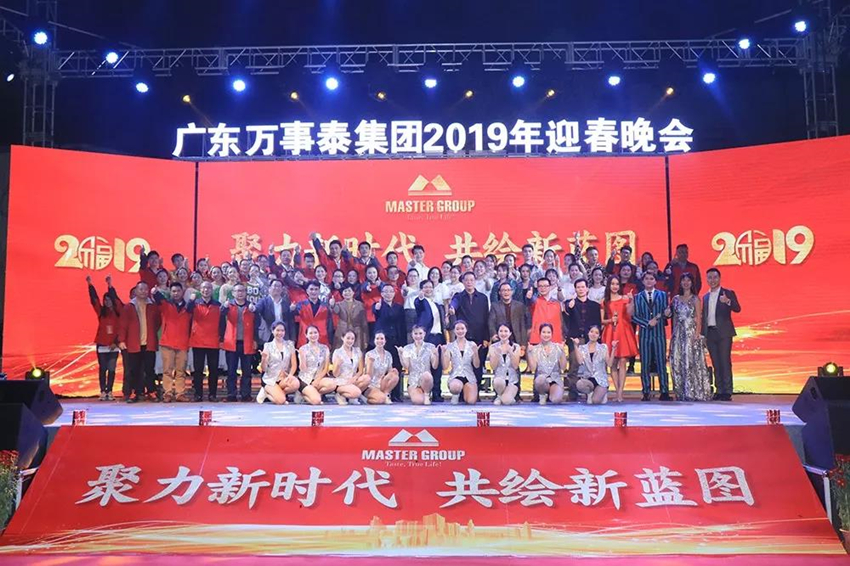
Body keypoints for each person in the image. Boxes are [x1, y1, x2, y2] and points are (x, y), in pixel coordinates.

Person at [670, 273, 713, 401]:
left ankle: (693, 391)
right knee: (677, 361)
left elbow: (699, 318)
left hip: (691, 333)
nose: (686, 283)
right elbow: (674, 318)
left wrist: (697, 334)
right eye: (683, 280)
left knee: (690, 361)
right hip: (678, 334)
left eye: (688, 280)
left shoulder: (695, 299)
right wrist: (673, 334)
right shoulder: (675, 299)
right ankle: (681, 391)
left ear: (692, 283)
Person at [702, 268, 741, 401]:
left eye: (715, 277)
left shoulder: (727, 293)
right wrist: (703, 335)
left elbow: (737, 308)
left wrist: (728, 301)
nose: (712, 280)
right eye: (710, 278)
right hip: (710, 333)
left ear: (719, 278)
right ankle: (719, 390)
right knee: (716, 363)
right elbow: (704, 317)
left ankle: (727, 390)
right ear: (707, 280)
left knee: (725, 361)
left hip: (724, 333)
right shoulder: (705, 297)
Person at [118, 281, 161, 402]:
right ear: (136, 291)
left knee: (150, 370)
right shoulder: (129, 307)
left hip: (149, 343)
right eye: (141, 289)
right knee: (134, 370)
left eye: (145, 289)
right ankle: (134, 393)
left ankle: (151, 392)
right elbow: (122, 325)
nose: (143, 292)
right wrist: (121, 340)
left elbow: (157, 322)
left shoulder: (153, 306)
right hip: (133, 344)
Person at [632, 272, 671, 401]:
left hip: (659, 334)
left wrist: (667, 314)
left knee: (661, 362)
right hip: (644, 335)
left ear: (655, 281)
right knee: (645, 363)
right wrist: (647, 323)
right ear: (643, 281)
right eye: (646, 279)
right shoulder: (637, 297)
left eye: (651, 279)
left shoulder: (663, 295)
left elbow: (666, 313)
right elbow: (634, 317)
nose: (649, 281)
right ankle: (646, 391)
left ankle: (664, 391)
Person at [449, 272, 490, 387]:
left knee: (478, 366)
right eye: (466, 280)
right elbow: (454, 304)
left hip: (479, 336)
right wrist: (452, 308)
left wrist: (486, 337)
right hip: (463, 338)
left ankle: (476, 391)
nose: (469, 282)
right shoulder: (458, 296)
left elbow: (486, 317)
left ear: (475, 281)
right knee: (463, 365)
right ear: (463, 282)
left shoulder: (483, 298)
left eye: (471, 280)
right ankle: (462, 392)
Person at [219, 284, 258, 402]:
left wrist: (255, 339)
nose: (240, 293)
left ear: (246, 293)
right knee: (231, 371)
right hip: (232, 342)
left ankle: (246, 394)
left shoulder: (251, 306)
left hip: (247, 342)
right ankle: (231, 394)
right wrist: (225, 306)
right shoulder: (228, 305)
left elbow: (257, 324)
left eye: (242, 291)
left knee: (247, 371)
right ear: (233, 293)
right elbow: (221, 314)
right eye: (237, 291)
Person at [601, 276, 637, 403]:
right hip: (611, 331)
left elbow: (630, 314)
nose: (615, 286)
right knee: (613, 362)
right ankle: (617, 391)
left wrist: (632, 301)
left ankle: (621, 392)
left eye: (617, 284)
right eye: (612, 284)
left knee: (622, 361)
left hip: (624, 331)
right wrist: (611, 320)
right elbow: (602, 320)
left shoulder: (625, 299)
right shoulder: (604, 301)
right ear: (609, 285)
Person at [155, 281, 192, 402]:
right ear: (170, 292)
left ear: (183, 292)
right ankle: (168, 393)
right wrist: (155, 292)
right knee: (167, 370)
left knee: (181, 371)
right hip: (167, 342)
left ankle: (180, 393)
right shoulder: (166, 305)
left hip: (183, 343)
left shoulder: (189, 307)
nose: (176, 293)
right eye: (173, 291)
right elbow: (157, 298)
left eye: (178, 291)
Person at [87, 275, 122, 401]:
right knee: (103, 368)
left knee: (111, 369)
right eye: (105, 300)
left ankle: (110, 391)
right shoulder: (101, 312)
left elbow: (121, 329)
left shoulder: (119, 313)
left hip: (114, 345)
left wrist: (110, 286)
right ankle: (102, 391)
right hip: (102, 344)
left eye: (109, 300)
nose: (107, 302)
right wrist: (90, 285)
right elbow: (94, 300)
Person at [187, 281, 221, 402]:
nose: (206, 290)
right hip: (198, 341)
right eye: (203, 288)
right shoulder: (194, 303)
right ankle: (198, 394)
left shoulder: (218, 305)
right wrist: (191, 300)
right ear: (200, 290)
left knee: (213, 370)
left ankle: (212, 394)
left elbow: (222, 323)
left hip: (213, 341)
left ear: (212, 290)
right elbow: (187, 311)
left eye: (208, 288)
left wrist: (221, 338)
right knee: (198, 370)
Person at [373, 283, 406, 402]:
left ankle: (396, 394)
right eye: (385, 291)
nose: (388, 294)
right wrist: (376, 308)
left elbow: (402, 325)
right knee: (383, 367)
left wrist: (403, 343)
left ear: (394, 293)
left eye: (391, 291)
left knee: (397, 367)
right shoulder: (378, 306)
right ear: (381, 294)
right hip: (383, 342)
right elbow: (375, 312)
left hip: (396, 340)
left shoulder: (399, 307)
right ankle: (382, 392)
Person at [414, 280, 446, 402]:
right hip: (428, 337)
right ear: (421, 289)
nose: (428, 289)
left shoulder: (437, 304)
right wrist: (421, 298)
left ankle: (437, 393)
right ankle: (424, 392)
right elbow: (418, 304)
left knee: (437, 367)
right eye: (425, 287)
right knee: (426, 366)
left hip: (438, 337)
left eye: (430, 287)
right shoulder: (422, 302)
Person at [256, 321, 298, 405]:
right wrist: (263, 359)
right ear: (272, 331)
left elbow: (294, 364)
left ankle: (276, 393)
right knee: (281, 401)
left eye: (282, 330)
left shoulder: (290, 344)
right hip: (270, 378)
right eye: (277, 330)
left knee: (296, 383)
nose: (280, 333)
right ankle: (267, 393)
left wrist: (290, 375)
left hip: (283, 377)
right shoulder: (268, 346)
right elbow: (264, 368)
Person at [574, 326, 615, 405]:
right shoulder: (582, 348)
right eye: (591, 332)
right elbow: (580, 361)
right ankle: (590, 393)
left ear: (599, 336)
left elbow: (609, 364)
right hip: (588, 379)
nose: (593, 334)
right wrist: (575, 346)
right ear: (588, 333)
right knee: (580, 384)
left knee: (595, 401)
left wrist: (613, 349)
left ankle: (602, 394)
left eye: (596, 333)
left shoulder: (603, 347)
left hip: (601, 380)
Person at [399, 325, 439, 405]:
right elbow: (407, 366)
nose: (418, 336)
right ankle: (419, 394)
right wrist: (401, 355)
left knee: (426, 375)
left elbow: (434, 366)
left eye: (420, 333)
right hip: (413, 381)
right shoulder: (407, 348)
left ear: (424, 334)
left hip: (426, 380)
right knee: (418, 401)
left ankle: (427, 394)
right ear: (412, 334)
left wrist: (436, 355)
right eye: (416, 334)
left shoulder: (430, 347)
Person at [528, 323, 567, 405]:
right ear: (540, 334)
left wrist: (562, 352)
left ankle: (551, 394)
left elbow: (563, 367)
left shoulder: (558, 347)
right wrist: (529, 353)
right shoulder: (535, 349)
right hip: (542, 379)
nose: (546, 335)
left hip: (555, 379)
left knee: (556, 400)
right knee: (540, 379)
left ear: (552, 334)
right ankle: (542, 395)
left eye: (548, 332)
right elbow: (533, 368)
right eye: (544, 332)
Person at [443, 320, 480, 404]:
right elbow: (445, 366)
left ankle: (465, 393)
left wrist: (475, 353)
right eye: (457, 329)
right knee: (455, 387)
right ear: (454, 331)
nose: (460, 331)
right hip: (456, 376)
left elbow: (476, 365)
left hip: (469, 376)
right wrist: (444, 353)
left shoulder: (472, 344)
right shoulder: (450, 346)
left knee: (471, 401)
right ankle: (455, 395)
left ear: (466, 330)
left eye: (462, 329)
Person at [330, 330, 368, 405]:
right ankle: (340, 394)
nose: (350, 341)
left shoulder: (357, 351)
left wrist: (355, 378)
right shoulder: (337, 352)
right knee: (356, 392)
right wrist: (338, 365)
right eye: (348, 338)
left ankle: (352, 397)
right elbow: (335, 374)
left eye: (352, 339)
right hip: (341, 381)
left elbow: (360, 371)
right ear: (342, 338)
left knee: (367, 378)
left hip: (353, 380)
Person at [292, 280, 334, 347]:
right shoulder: (300, 305)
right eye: (311, 289)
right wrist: (292, 310)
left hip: (322, 338)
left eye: (316, 289)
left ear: (319, 291)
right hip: (305, 338)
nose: (314, 292)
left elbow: (330, 325)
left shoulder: (325, 306)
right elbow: (293, 318)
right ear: (307, 291)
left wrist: (331, 341)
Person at [489, 282, 529, 350]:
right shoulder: (495, 306)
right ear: (499, 292)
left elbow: (522, 325)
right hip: (501, 338)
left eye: (508, 290)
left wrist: (523, 343)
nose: (506, 292)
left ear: (512, 292)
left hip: (516, 338)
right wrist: (493, 334)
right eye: (503, 290)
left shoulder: (519, 306)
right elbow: (491, 322)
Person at [488, 324, 521, 405]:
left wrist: (511, 353)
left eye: (506, 331)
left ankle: (508, 397)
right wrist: (497, 354)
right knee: (498, 381)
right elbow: (493, 366)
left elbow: (516, 366)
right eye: (501, 331)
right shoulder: (493, 347)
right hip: (499, 379)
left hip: (512, 380)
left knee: (506, 401)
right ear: (498, 333)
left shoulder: (516, 346)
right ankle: (499, 396)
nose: (503, 333)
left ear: (510, 333)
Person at [254, 279, 294, 346]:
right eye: (275, 286)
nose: (277, 288)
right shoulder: (263, 301)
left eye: (279, 286)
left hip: (283, 334)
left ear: (282, 289)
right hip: (267, 334)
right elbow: (256, 310)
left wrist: (292, 339)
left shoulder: (286, 302)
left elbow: (290, 321)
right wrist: (253, 308)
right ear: (269, 288)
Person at [294, 325, 327, 405]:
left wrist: (317, 379)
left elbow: (325, 368)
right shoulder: (303, 349)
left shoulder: (325, 348)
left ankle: (313, 393)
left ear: (318, 334)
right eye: (311, 333)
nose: (313, 335)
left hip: (318, 378)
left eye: (315, 333)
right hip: (306, 379)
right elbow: (303, 369)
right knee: (316, 401)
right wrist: (302, 357)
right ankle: (303, 394)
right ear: (306, 335)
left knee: (331, 384)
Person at [364, 331, 400, 404]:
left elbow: (389, 372)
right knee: (380, 400)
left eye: (382, 339)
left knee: (395, 376)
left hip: (382, 382)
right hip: (371, 385)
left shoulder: (388, 354)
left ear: (385, 341)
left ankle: (386, 394)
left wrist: (393, 372)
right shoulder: (369, 354)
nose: (379, 341)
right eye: (377, 338)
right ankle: (365, 399)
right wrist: (370, 363)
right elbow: (368, 375)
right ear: (374, 340)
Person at [331, 284, 369, 350]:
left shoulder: (360, 305)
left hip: (357, 333)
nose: (347, 293)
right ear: (342, 294)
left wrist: (365, 339)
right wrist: (332, 305)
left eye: (349, 291)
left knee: (357, 353)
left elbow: (364, 322)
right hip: (342, 332)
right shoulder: (339, 304)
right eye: (345, 291)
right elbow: (336, 310)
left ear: (353, 292)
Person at [527, 278, 564, 344]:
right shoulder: (535, 301)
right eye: (540, 286)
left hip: (555, 339)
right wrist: (529, 297)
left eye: (545, 286)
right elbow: (530, 301)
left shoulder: (556, 303)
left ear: (550, 287)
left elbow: (561, 322)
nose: (543, 288)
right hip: (538, 340)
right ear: (537, 288)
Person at [402, 269, 421, 340]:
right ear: (407, 278)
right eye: (410, 276)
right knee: (410, 334)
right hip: (409, 313)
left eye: (415, 276)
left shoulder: (421, 289)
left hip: (420, 313)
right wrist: (405, 291)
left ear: (418, 278)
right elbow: (404, 294)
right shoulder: (406, 288)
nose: (413, 278)